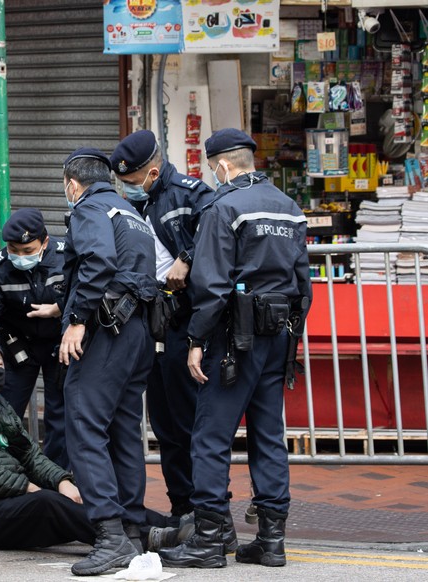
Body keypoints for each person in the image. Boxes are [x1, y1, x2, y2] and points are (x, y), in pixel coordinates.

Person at [158, 129, 312, 569]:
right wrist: (288, 334)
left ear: (222, 166)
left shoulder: (224, 206)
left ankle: (208, 541)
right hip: (277, 334)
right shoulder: (289, 207)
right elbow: (304, 286)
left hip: (233, 338)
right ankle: (271, 540)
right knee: (268, 436)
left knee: (209, 436)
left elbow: (212, 285)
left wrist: (195, 340)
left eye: (212, 168)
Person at [58, 148, 159, 577]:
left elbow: (98, 262)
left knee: (83, 423)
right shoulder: (130, 211)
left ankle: (109, 535)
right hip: (137, 331)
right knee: (121, 428)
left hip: (105, 330)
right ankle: (132, 528)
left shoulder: (89, 208)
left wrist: (77, 320)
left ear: (72, 185)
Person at [111, 130, 216, 522]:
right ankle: (182, 509)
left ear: (153, 172)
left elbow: (217, 228)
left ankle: (208, 514)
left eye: (134, 182)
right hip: (152, 323)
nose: (129, 189)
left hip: (188, 320)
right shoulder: (133, 205)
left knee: (190, 422)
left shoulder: (190, 194)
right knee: (165, 424)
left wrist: (187, 258)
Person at [0, 345, 94, 549]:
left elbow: (30, 454)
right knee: (47, 503)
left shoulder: (0, 406)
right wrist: (28, 487)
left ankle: (143, 528)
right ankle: (118, 537)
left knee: (86, 494)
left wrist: (62, 481)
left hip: (5, 498)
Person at [0, 208, 68, 467]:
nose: (19, 256)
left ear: (45, 242)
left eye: (27, 251)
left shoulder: (66, 257)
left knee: (59, 414)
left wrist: (59, 308)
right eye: (13, 250)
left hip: (59, 344)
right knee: (7, 412)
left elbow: (82, 295)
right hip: (17, 345)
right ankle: (5, 472)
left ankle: (57, 475)